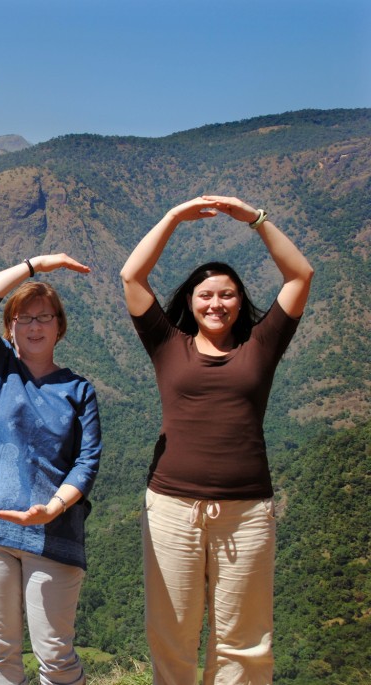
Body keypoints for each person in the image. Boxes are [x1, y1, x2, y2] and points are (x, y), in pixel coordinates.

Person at [119, 196, 314, 684]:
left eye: (227, 295)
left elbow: (300, 276)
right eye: (206, 295)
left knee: (245, 642)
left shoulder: (261, 346)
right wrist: (172, 219)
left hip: (246, 512)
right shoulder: (167, 344)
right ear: (190, 301)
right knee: (172, 634)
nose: (216, 304)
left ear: (240, 301)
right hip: (171, 509)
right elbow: (131, 277)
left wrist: (255, 219)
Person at [0, 253, 101, 685]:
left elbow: (87, 460)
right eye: (23, 318)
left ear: (60, 326)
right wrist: (37, 264)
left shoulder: (79, 390)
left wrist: (52, 508)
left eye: (44, 317)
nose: (34, 326)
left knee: (55, 655)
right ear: (9, 328)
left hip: (52, 536)